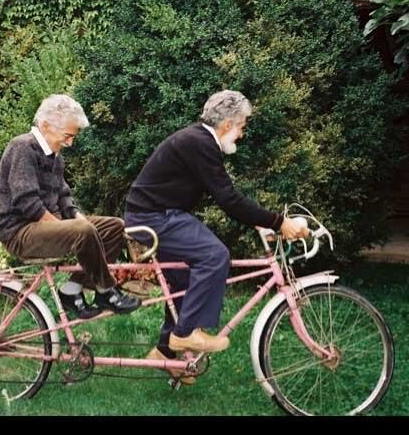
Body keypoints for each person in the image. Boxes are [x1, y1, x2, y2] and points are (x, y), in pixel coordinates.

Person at [124, 90, 308, 384]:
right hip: (153, 218)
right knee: (214, 255)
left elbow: (225, 196)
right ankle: (184, 335)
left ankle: (163, 354)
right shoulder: (199, 143)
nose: (242, 134)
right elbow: (228, 199)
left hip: (156, 214)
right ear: (227, 125)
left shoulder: (198, 140)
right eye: (242, 126)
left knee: (184, 279)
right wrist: (278, 222)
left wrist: (262, 222)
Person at [0, 94, 140, 319]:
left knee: (113, 227)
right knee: (83, 231)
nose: (70, 142)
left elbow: (64, 196)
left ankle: (71, 291)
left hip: (45, 224)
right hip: (19, 232)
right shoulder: (22, 148)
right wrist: (71, 228)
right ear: (45, 126)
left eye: (73, 136)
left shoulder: (55, 156)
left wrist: (77, 217)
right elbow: (27, 203)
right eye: (67, 136)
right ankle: (105, 290)